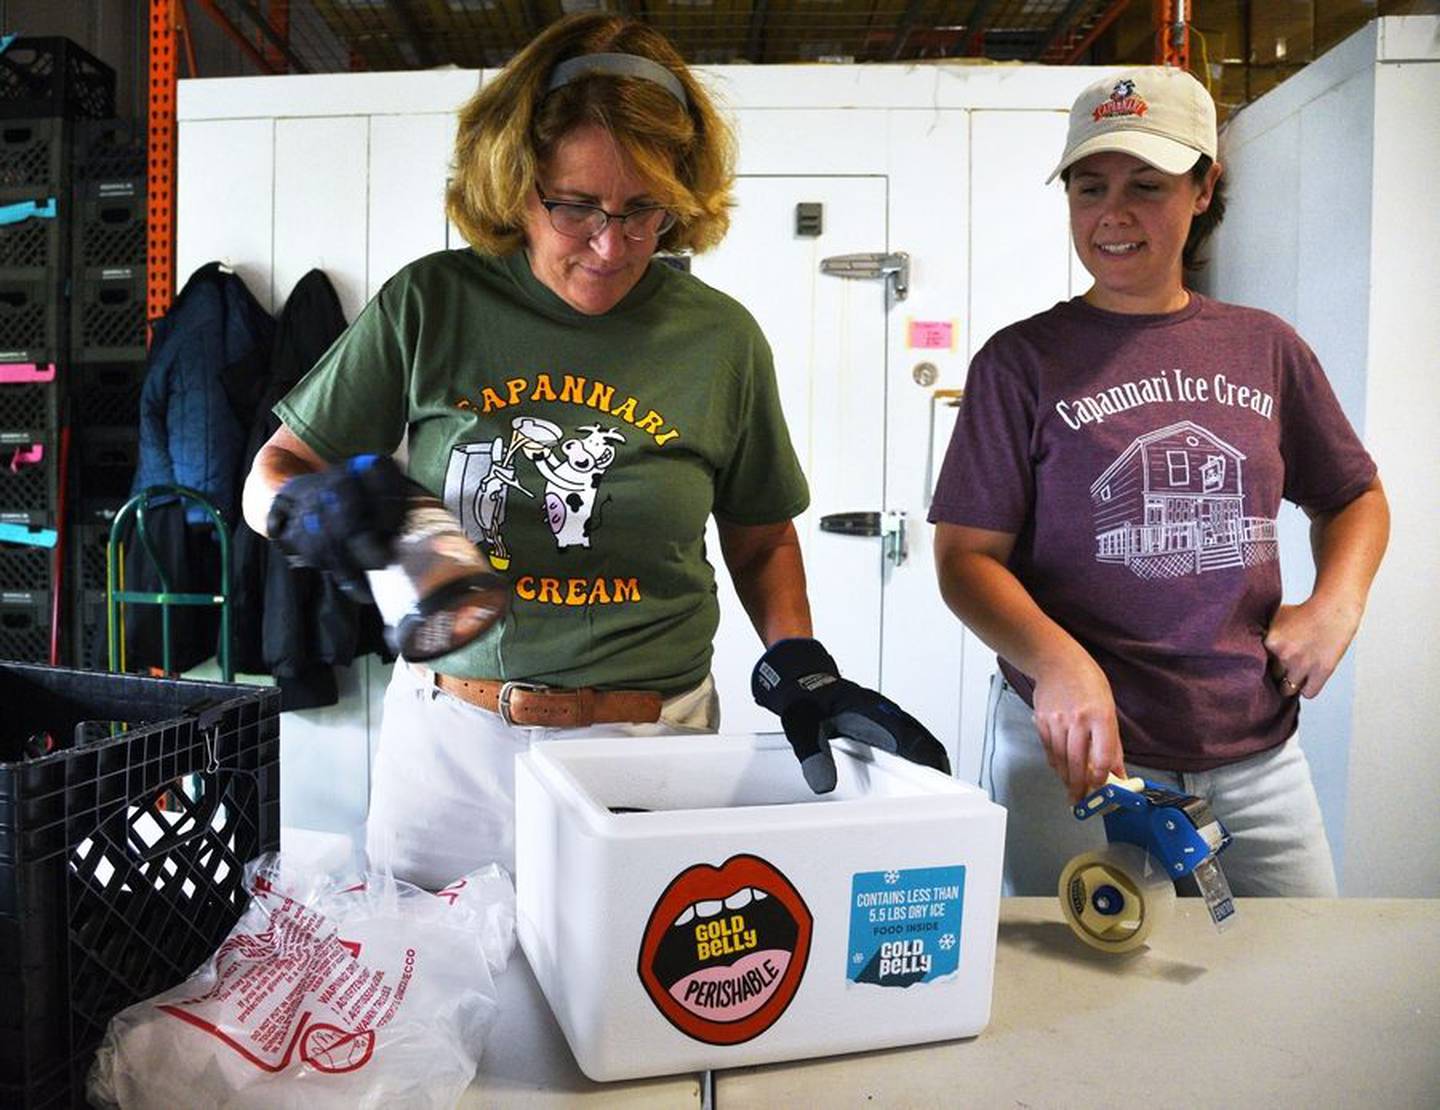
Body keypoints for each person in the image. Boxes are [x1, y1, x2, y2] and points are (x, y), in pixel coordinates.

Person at [242, 14, 947, 890]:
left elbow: (762, 535)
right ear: (517, 178)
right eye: (574, 206)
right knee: (434, 998)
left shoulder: (718, 340)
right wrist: (307, 509)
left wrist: (800, 665)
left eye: (643, 210)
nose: (611, 246)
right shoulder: (432, 303)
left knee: (636, 1004)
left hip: (652, 746)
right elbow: (271, 469)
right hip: (452, 746)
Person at [930, 67, 1389, 898]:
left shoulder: (1265, 347)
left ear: (1204, 187)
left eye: (1147, 185)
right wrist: (1058, 661)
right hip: (1077, 758)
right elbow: (965, 559)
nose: (1114, 213)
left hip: (1257, 756)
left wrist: (1335, 605)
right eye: (1090, 186)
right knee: (1090, 1003)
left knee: (1294, 985)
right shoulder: (1019, 362)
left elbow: (1354, 495)